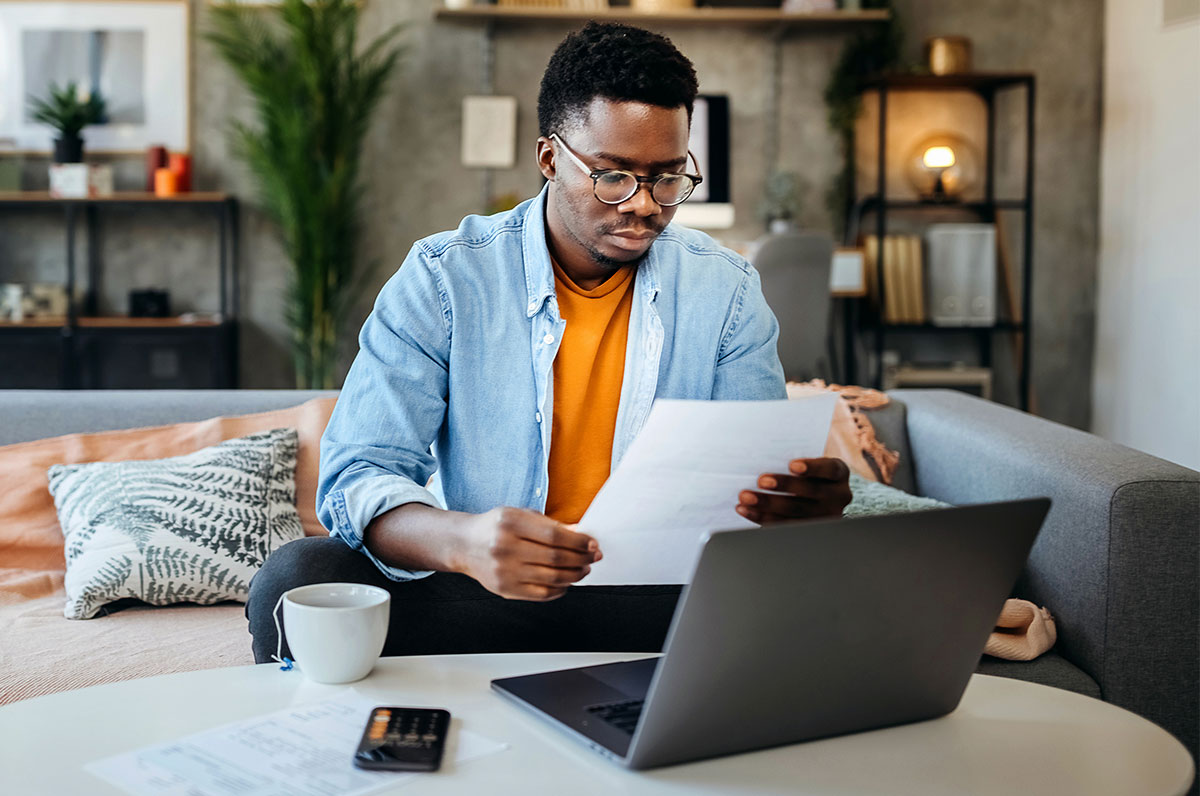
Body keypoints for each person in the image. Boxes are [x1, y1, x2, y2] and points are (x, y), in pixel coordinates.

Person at [246, 21, 850, 663]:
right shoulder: (447, 278)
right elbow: (358, 472)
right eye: (614, 177)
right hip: (484, 594)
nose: (644, 206)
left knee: (847, 583)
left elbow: (749, 489)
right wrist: (464, 542)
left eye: (668, 179)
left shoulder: (725, 290)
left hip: (657, 598)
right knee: (298, 580)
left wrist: (799, 507)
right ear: (549, 158)